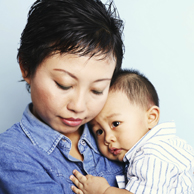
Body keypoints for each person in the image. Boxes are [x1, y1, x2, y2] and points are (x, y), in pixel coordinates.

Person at [0, 0, 126, 193]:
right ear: (26, 67)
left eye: (97, 90)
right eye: (64, 85)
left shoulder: (119, 133)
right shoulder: (11, 152)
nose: (79, 106)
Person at [70, 69, 194, 194]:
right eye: (99, 131)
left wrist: (103, 191)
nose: (107, 138)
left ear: (151, 117)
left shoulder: (151, 156)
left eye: (115, 124)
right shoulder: (166, 144)